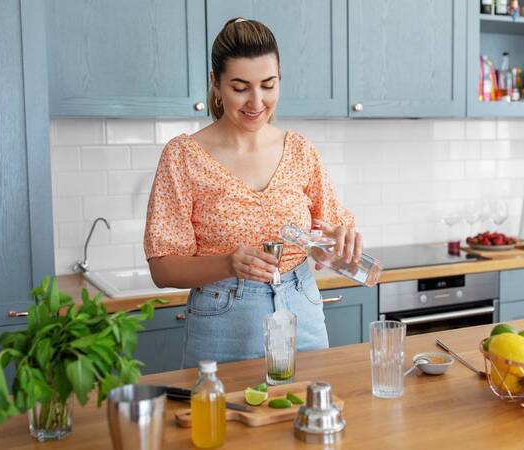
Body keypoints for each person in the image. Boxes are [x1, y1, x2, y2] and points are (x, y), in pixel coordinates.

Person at [144, 17, 363, 368]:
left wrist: (338, 247)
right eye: (240, 87)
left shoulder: (300, 150)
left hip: (301, 311)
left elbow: (331, 249)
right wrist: (228, 263)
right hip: (222, 321)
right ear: (215, 83)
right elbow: (163, 268)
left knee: (308, 416)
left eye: (268, 85)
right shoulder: (183, 156)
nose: (256, 101)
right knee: (223, 420)